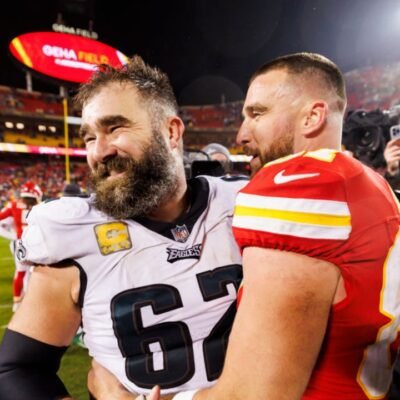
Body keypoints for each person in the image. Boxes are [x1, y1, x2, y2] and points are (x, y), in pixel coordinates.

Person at [91, 52, 400, 400]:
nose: (242, 134)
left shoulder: (296, 189)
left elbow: (252, 395)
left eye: (257, 114)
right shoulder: (375, 185)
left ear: (312, 116)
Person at [0, 56, 245, 399]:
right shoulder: (74, 233)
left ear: (171, 131)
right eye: (89, 138)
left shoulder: (242, 202)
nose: (99, 152)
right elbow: (19, 370)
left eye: (115, 128)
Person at [0, 181, 42, 311]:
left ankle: (17, 302)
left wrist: (12, 235)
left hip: (21, 243)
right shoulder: (41, 207)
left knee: (21, 272)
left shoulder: (14, 205)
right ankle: (32, 300)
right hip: (36, 243)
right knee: (35, 272)